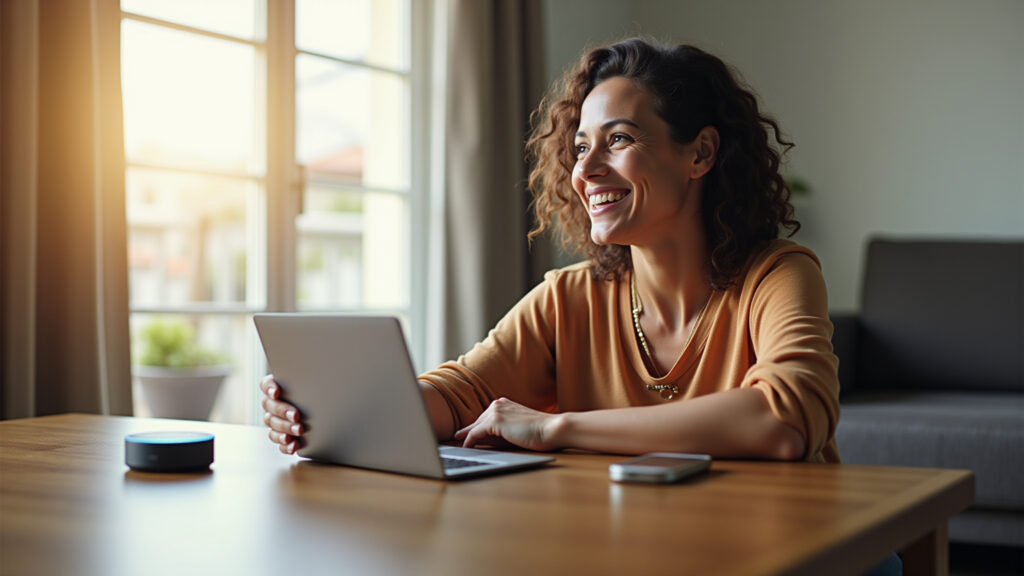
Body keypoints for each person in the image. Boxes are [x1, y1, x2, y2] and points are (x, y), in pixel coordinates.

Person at [261, 37, 840, 463]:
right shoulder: (569, 297)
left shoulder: (778, 276)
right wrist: (334, 409)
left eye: (618, 139)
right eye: (580, 145)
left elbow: (782, 422)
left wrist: (557, 428)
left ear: (700, 154)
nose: (585, 170)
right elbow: (462, 393)